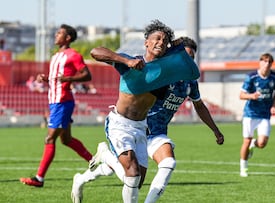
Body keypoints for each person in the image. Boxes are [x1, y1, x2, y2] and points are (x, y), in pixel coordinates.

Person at [70, 36, 224, 203]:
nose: (185, 62)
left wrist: (215, 130)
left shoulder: (190, 84)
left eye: (190, 58)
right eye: (183, 56)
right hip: (135, 125)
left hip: (156, 132)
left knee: (160, 167)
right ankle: (88, 173)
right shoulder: (158, 72)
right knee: (130, 175)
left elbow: (199, 106)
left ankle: (94, 168)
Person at [19, 24, 94, 187]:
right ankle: (94, 161)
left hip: (63, 101)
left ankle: (39, 178)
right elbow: (58, 77)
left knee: (49, 138)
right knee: (66, 140)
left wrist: (68, 79)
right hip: (55, 102)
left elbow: (87, 75)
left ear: (67, 38)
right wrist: (47, 78)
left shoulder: (73, 55)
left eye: (59, 33)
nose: (56, 35)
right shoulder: (56, 56)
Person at [239, 53, 275, 177]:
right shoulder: (251, 77)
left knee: (262, 143)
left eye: (269, 62)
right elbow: (241, 95)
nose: (267, 64)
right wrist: (252, 96)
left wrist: (274, 105)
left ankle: (254, 144)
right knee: (246, 141)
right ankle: (243, 168)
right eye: (265, 61)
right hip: (250, 114)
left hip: (265, 114)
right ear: (260, 62)